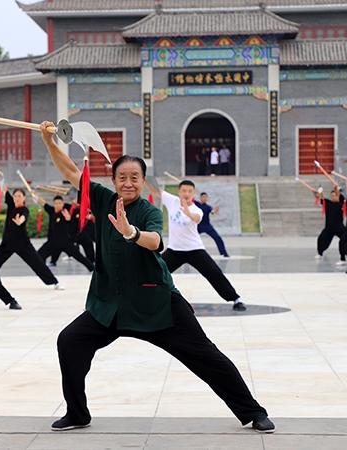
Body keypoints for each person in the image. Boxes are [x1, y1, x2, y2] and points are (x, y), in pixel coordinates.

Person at [39, 121, 274, 434]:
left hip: (156, 304)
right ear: (113, 179)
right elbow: (70, 171)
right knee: (69, 341)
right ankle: (77, 413)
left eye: (134, 177)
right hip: (110, 304)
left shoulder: (149, 210)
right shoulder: (103, 199)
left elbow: (155, 241)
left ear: (143, 181)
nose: (128, 183)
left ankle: (253, 411)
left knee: (207, 356)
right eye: (122, 177)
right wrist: (49, 141)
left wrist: (130, 232)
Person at [147, 181, 245, 311]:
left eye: (189, 191)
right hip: (174, 251)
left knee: (215, 273)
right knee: (154, 271)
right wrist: (143, 176)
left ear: (193, 193)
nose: (186, 193)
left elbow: (197, 218)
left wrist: (188, 214)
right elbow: (155, 188)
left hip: (195, 250)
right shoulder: (172, 201)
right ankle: (147, 299)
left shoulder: (196, 209)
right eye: (184, 191)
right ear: (179, 192)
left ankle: (236, 299)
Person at [0, 170, 63, 290]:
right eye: (15, 196)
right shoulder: (11, 204)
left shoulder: (24, 210)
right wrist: (0, 178)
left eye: (19, 196)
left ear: (24, 198)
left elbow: (23, 218)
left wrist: (19, 221)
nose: (16, 198)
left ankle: (54, 282)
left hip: (23, 244)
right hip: (7, 243)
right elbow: (4, 190)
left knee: (37, 263)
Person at [35, 194, 94, 271]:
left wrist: (68, 218)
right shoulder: (52, 211)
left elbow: (68, 219)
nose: (58, 205)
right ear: (53, 204)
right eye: (56, 203)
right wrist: (34, 194)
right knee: (39, 255)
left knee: (80, 257)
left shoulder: (65, 212)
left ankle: (92, 268)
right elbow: (43, 202)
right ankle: (43, 271)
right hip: (52, 243)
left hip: (66, 243)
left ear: (63, 204)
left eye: (60, 203)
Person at [314, 187, 346, 262]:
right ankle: (320, 253)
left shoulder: (341, 204)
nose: (333, 197)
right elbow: (320, 197)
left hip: (339, 227)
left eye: (335, 195)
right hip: (329, 227)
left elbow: (344, 201)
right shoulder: (328, 203)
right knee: (321, 238)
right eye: (332, 196)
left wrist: (338, 191)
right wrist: (315, 192)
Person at [195, 192, 230, 257]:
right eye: (204, 197)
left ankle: (224, 252)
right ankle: (186, 252)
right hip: (197, 226)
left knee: (217, 237)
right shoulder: (196, 204)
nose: (205, 198)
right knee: (191, 238)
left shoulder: (208, 207)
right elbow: (190, 199)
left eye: (206, 197)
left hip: (207, 226)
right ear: (201, 198)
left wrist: (215, 211)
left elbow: (212, 211)